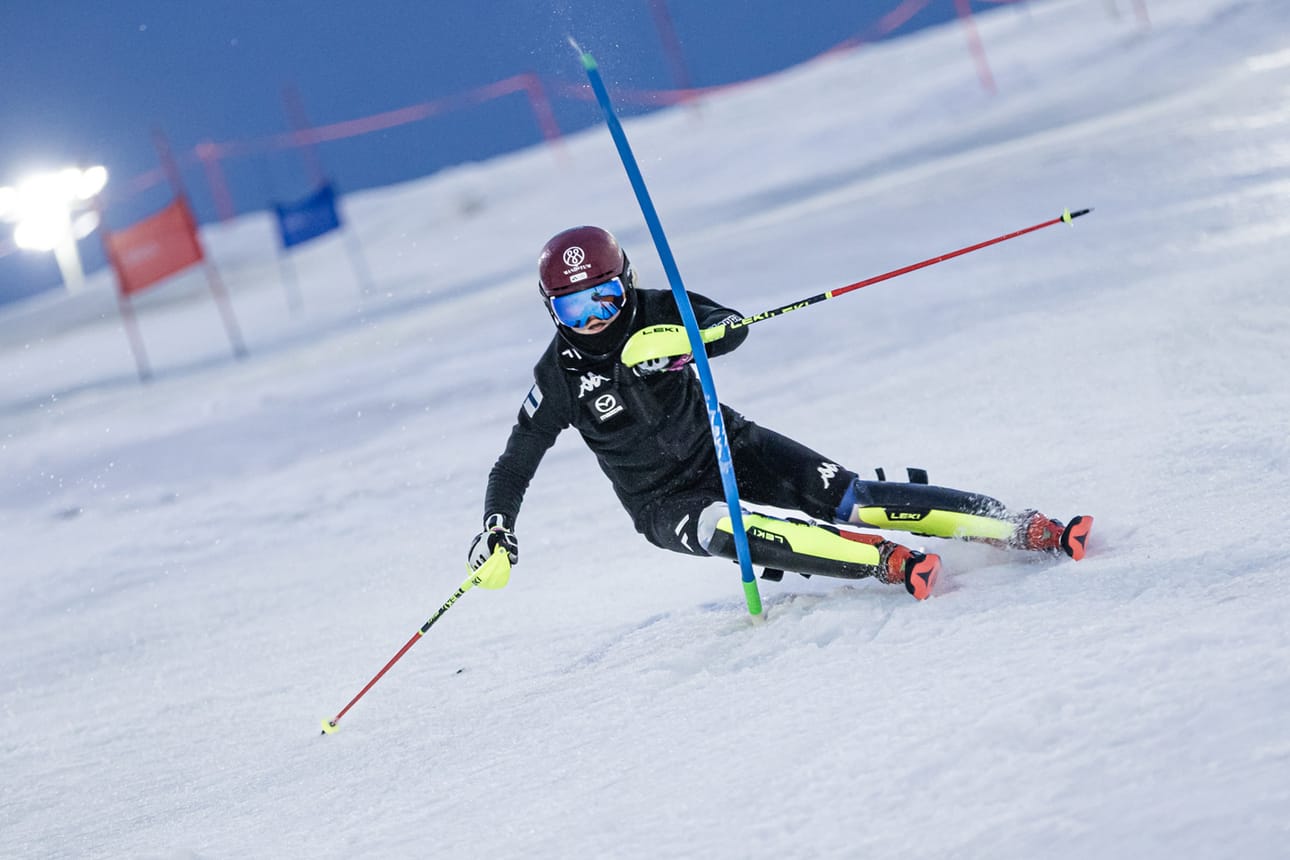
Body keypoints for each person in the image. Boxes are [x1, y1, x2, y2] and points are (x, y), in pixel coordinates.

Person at [468, 225, 1092, 600]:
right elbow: (514, 462)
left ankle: (1028, 528)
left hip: (728, 444)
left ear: (626, 283)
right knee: (729, 530)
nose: (596, 320)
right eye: (576, 310)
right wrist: (498, 527)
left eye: (604, 298)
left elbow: (731, 328)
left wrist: (688, 341)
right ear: (551, 310)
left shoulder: (660, 307)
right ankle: (887, 563)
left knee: (855, 496)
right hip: (663, 503)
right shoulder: (558, 378)